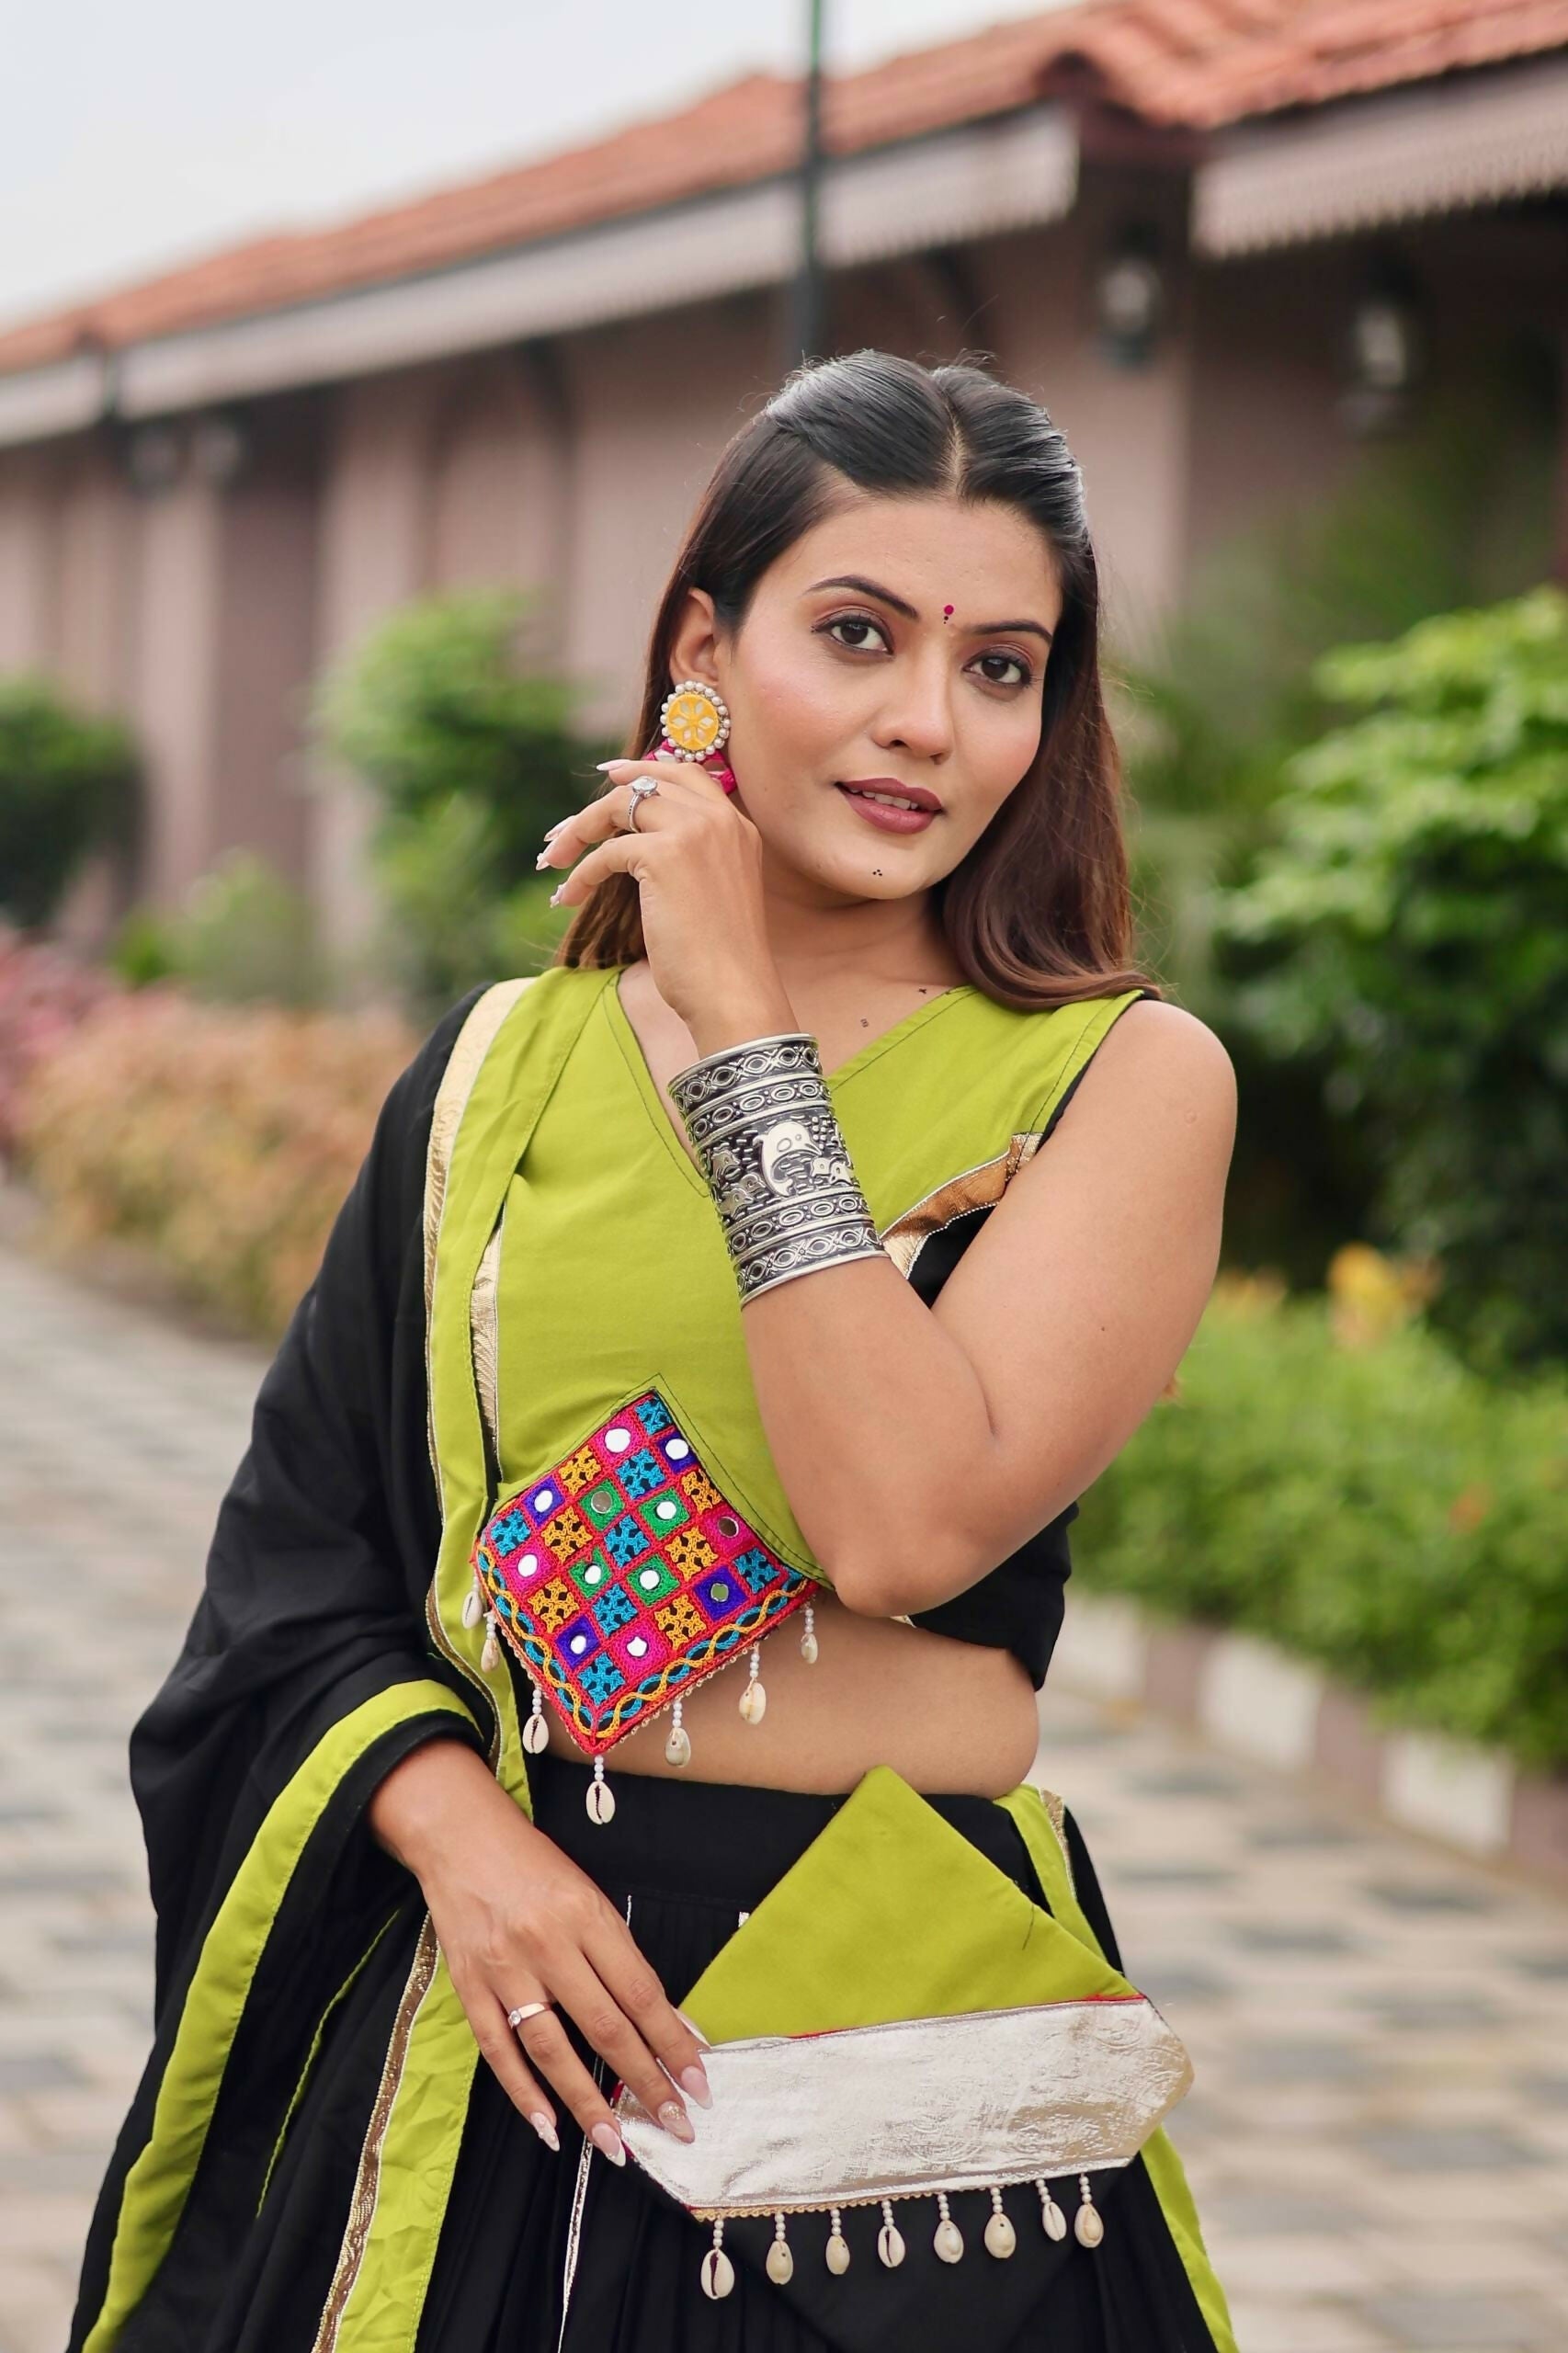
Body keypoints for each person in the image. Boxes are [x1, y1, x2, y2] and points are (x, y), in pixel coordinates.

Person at [69, 349, 1238, 2353]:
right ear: (705, 651)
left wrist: (742, 1038)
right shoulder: (496, 1071)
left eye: (999, 667)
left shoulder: (1118, 1079)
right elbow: (300, 1562)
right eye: (856, 634)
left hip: (886, 2058)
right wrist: (461, 1837)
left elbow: (899, 1527)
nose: (924, 720)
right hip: (494, 2006)